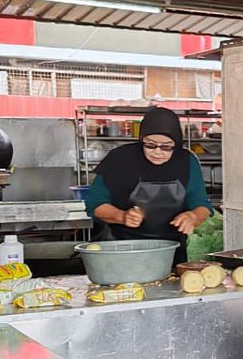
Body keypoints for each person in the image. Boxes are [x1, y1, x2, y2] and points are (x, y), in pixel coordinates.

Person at [85, 107, 212, 264]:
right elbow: (94, 203)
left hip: (171, 252)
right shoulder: (120, 159)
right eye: (150, 145)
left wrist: (193, 217)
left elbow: (202, 205)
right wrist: (122, 216)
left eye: (166, 146)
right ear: (141, 139)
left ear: (177, 143)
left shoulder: (187, 161)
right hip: (122, 250)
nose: (157, 152)